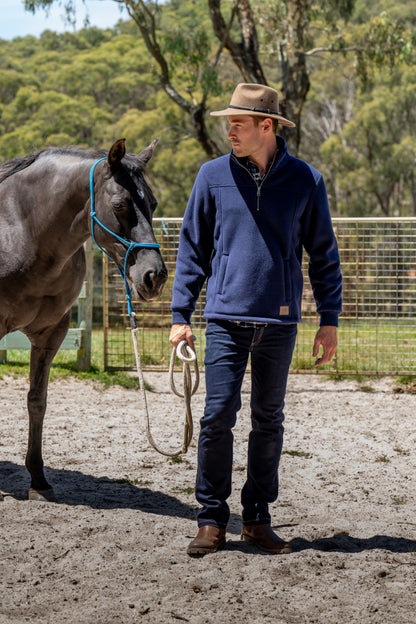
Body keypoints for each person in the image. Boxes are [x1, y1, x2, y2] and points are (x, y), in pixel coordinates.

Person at [169, 83, 342, 557]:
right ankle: (211, 518)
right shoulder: (211, 177)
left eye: (238, 124)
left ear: (266, 126)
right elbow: (192, 249)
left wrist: (330, 318)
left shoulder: (306, 181)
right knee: (217, 417)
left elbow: (324, 255)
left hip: (281, 323)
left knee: (269, 420)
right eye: (229, 123)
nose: (230, 132)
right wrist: (180, 314)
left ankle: (257, 519)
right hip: (224, 319)